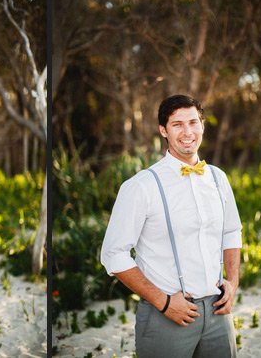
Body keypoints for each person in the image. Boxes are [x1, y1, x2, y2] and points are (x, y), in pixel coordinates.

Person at [100, 94, 242, 358]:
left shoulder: (218, 178)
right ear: (163, 130)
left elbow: (231, 232)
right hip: (166, 315)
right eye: (177, 124)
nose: (187, 132)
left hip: (218, 312)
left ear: (202, 126)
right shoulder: (142, 185)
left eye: (193, 122)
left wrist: (232, 283)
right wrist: (163, 302)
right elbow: (113, 253)